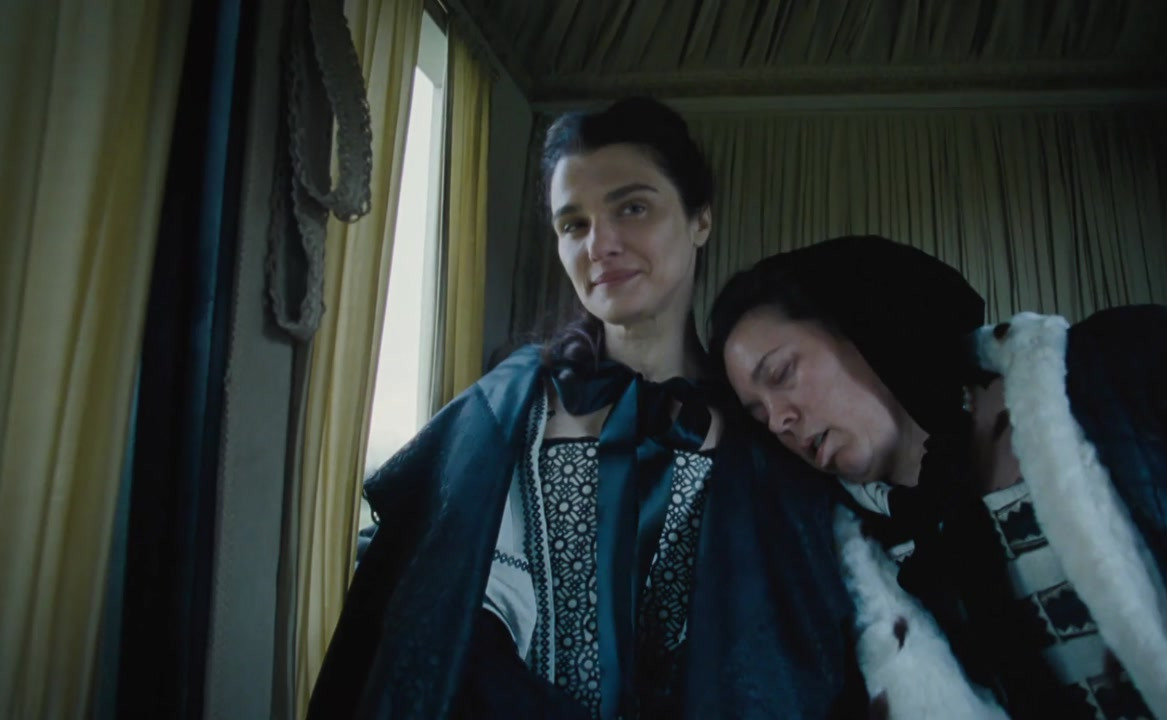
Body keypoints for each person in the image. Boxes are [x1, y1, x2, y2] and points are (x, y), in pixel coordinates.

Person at [306, 99, 867, 720]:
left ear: (700, 218)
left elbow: (794, 656)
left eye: (632, 208)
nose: (600, 245)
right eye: (573, 224)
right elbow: (434, 623)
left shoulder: (768, 434)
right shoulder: (504, 411)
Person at [707, 235, 1167, 720]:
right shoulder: (842, 572)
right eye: (758, 415)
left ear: (857, 322)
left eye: (781, 373)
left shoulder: (1121, 366)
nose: (778, 420)